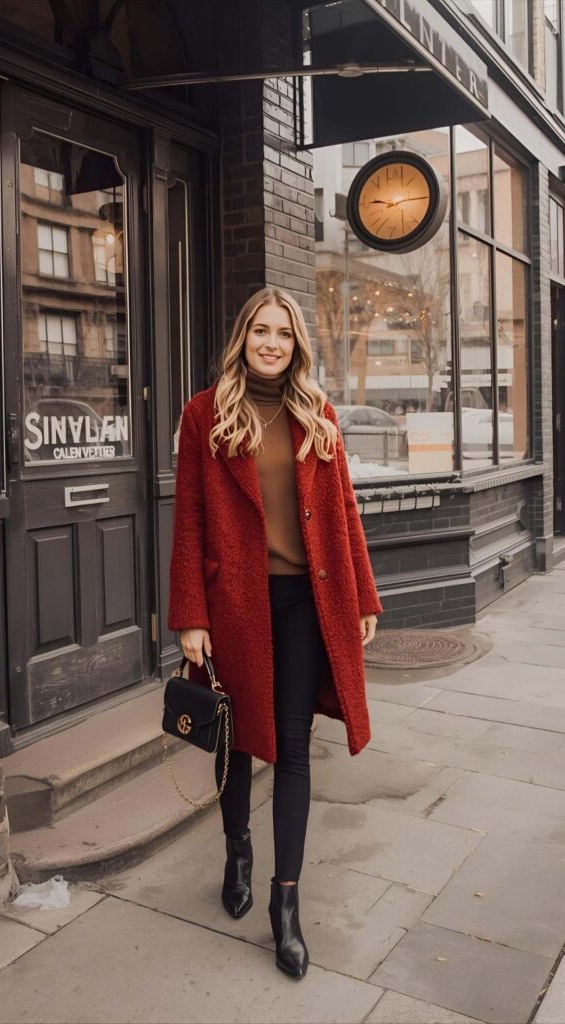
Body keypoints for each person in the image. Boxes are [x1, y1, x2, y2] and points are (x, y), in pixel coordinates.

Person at [167, 286, 383, 980]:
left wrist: (363, 598)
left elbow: (344, 511)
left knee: (292, 748)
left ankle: (283, 903)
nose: (270, 343)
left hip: (306, 604)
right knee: (238, 738)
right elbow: (191, 521)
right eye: (260, 330)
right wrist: (191, 617)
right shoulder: (204, 414)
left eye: (282, 334)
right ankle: (238, 848)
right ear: (243, 337)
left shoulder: (317, 413)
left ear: (296, 345)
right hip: (235, 605)